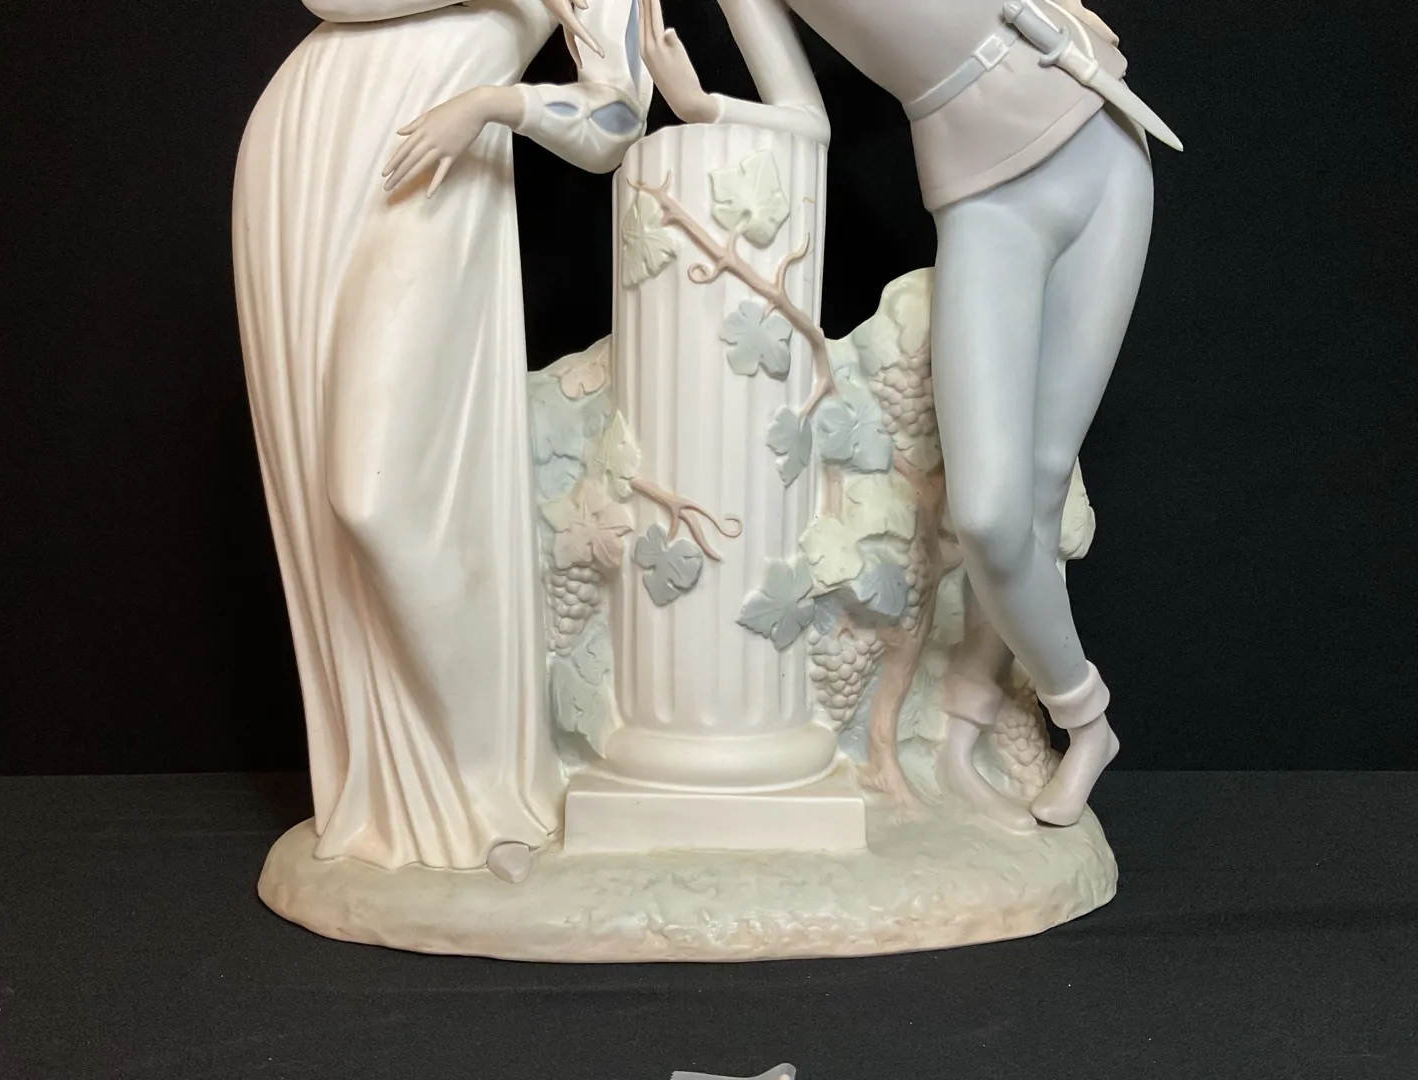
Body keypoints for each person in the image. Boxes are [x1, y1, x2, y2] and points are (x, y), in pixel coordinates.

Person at [634, 0, 1169, 830]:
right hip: (984, 201)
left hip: (1100, 132)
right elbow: (804, 116)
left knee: (1039, 485)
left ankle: (967, 720)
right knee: (989, 517)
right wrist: (705, 106)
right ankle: (1086, 715)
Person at [233, 0, 650, 882]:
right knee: (326, 496)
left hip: (441, 163)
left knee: (372, 495)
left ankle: (487, 787)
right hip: (311, 151)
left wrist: (496, 104)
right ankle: (397, 797)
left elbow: (616, 121)